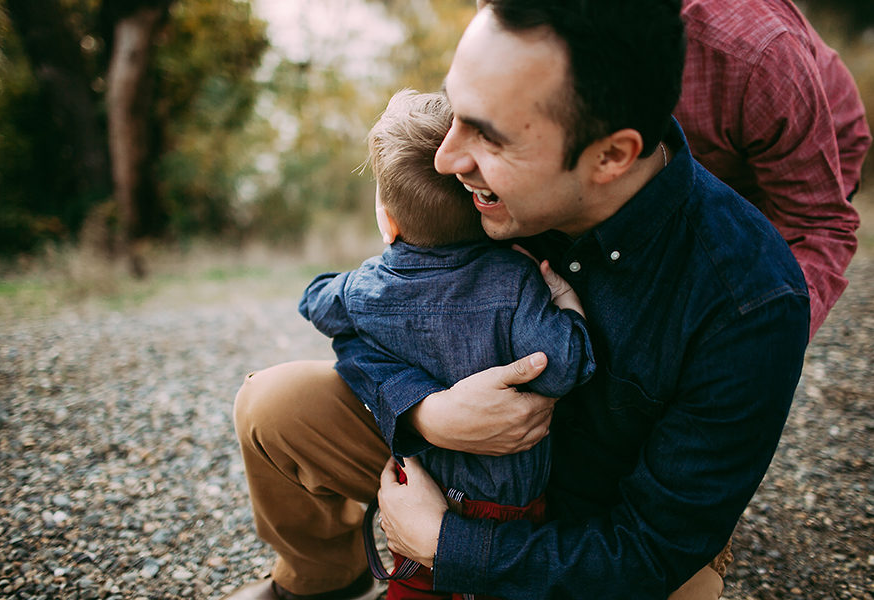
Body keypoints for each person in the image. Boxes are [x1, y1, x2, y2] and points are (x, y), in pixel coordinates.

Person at [224, 1, 811, 599]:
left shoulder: (751, 302)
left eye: (487, 138)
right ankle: (321, 580)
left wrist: (443, 544)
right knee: (276, 405)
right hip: (457, 465)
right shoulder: (482, 187)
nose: (447, 160)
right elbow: (371, 323)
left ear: (610, 156)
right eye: (457, 113)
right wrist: (425, 412)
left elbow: (648, 549)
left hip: (595, 528)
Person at [298, 88, 595, 600]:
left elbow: (316, 303)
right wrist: (567, 305)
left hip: (420, 493)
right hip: (511, 505)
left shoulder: (369, 287)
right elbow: (565, 366)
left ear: (389, 220)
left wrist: (369, 271)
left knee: (415, 586)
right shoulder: (518, 280)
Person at [674, 0, 872, 339]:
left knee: (752, 291)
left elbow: (814, 224)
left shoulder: (758, 52)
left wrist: (767, 348)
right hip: (706, 151)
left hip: (808, 144)